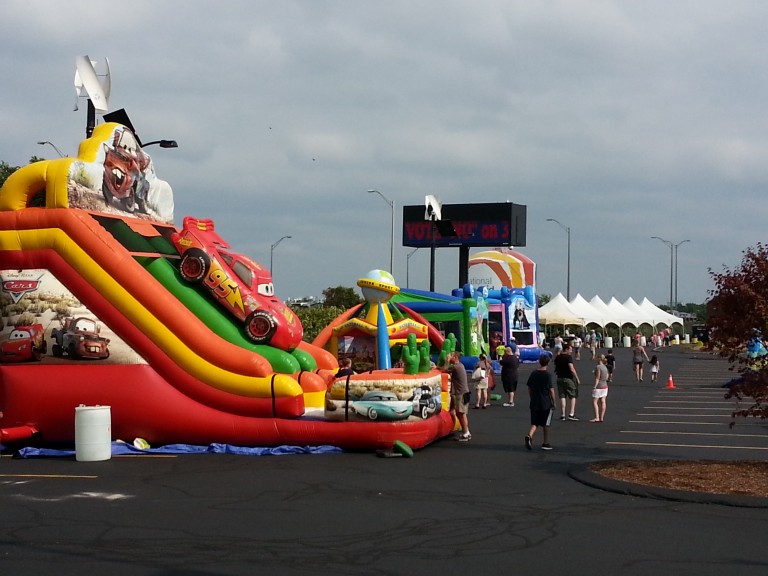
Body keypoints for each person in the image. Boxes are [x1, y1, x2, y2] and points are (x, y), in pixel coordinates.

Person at [525, 354, 557, 451]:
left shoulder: (534, 373)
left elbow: (529, 387)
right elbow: (551, 390)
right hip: (545, 402)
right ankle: (545, 442)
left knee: (535, 422)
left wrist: (531, 397)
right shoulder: (547, 375)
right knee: (546, 423)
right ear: (548, 363)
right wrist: (554, 401)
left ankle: (529, 435)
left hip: (534, 401)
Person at [444, 352, 471, 441]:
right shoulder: (461, 365)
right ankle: (466, 432)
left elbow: (444, 370)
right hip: (464, 392)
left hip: (460, 394)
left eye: (451, 355)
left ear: (455, 357)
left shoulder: (455, 367)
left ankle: (466, 432)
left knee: (461, 414)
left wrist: (447, 361)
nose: (449, 356)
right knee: (461, 414)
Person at [554, 343, 580, 420]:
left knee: (562, 396)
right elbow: (571, 369)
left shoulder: (557, 357)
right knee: (573, 395)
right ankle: (571, 414)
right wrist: (577, 378)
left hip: (559, 378)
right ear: (566, 349)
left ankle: (563, 414)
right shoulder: (568, 358)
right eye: (570, 350)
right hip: (568, 378)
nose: (571, 352)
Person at [591, 354, 609, 422]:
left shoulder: (598, 367)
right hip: (605, 386)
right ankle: (602, 417)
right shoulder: (605, 367)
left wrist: (595, 386)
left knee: (595, 402)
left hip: (599, 386)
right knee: (603, 401)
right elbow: (607, 377)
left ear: (599, 359)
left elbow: (597, 378)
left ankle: (597, 417)